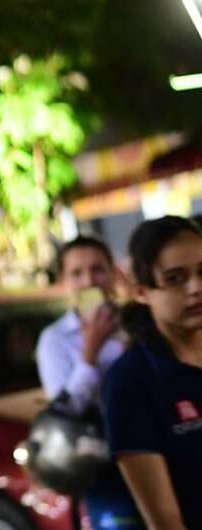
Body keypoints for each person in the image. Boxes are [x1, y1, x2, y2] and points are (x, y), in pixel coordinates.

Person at [35, 236, 143, 529]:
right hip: (105, 468)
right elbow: (65, 410)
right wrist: (90, 353)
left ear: (112, 272)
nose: (89, 281)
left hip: (159, 451)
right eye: (77, 273)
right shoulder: (55, 339)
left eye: (97, 269)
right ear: (63, 281)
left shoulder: (137, 323)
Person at [103, 216, 202, 530]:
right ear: (141, 291)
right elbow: (165, 521)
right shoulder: (131, 380)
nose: (196, 288)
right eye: (175, 278)